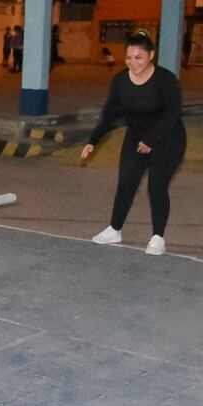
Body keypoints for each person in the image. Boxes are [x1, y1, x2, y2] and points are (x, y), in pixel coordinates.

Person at [81, 31, 186, 256]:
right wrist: (94, 140)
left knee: (156, 185)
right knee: (126, 182)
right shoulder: (120, 81)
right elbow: (109, 114)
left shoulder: (166, 80)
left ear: (151, 55)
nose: (133, 62)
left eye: (138, 57)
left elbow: (173, 114)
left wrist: (151, 140)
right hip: (136, 136)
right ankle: (114, 229)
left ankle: (158, 237)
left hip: (168, 138)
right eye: (129, 57)